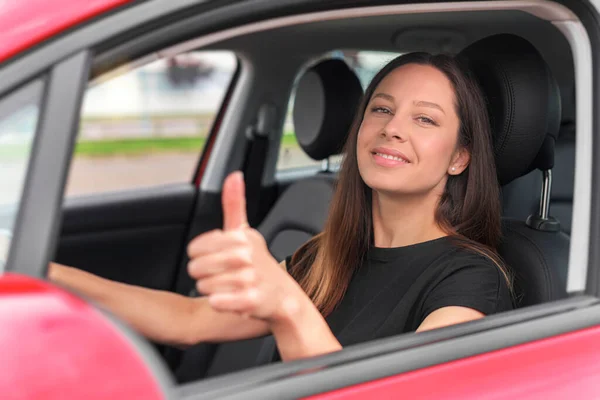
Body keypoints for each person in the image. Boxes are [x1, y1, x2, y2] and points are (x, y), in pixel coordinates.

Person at [49, 52, 513, 363]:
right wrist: (40, 272)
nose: (392, 128)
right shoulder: (326, 255)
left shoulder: (472, 281)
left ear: (459, 157)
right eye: (381, 109)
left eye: (425, 119)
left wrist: (287, 307)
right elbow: (186, 320)